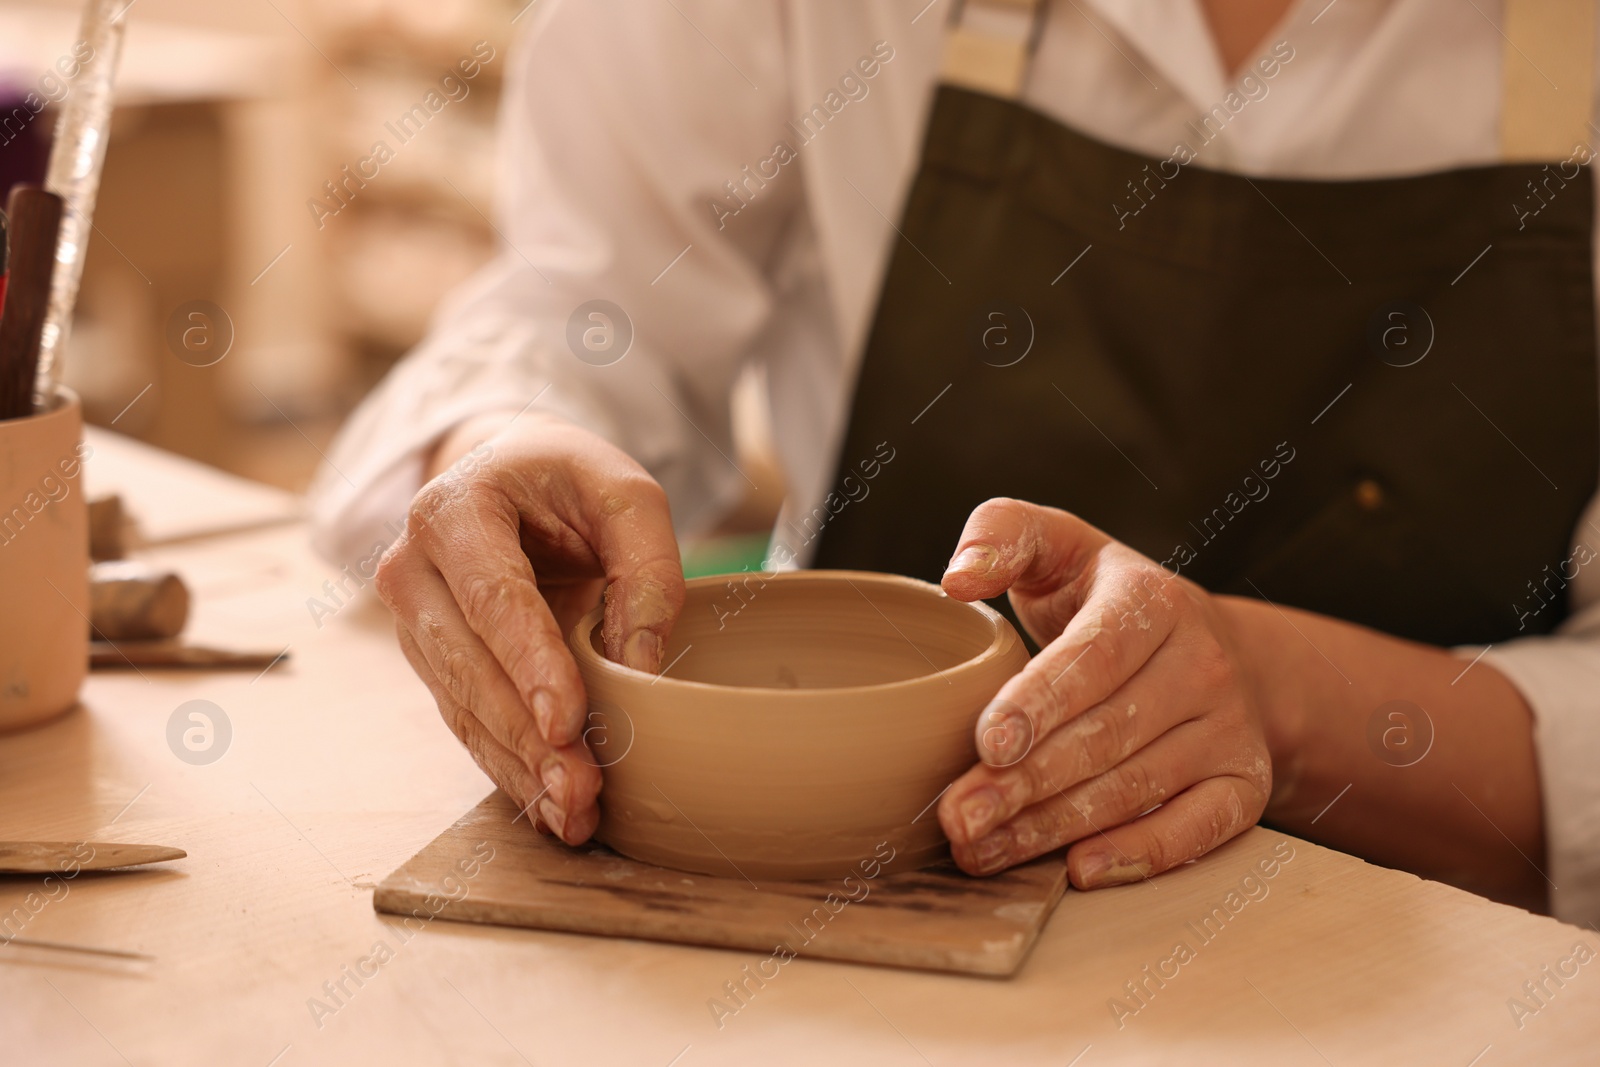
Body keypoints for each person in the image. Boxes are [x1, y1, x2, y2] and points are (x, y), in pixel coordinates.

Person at [310, 0, 1600, 925]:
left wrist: (1273, 696)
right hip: (860, 945)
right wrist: (492, 447)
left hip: (1435, 970)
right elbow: (579, 300)